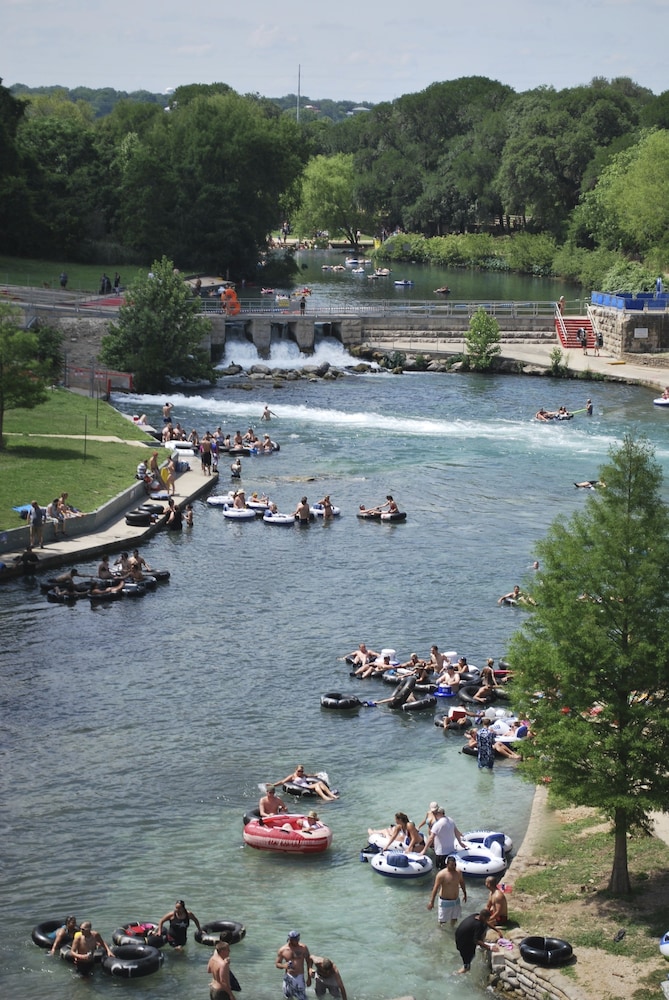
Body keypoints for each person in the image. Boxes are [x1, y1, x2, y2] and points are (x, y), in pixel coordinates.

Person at [454, 908, 501, 973]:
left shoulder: (476, 916)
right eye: (487, 918)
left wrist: (496, 930)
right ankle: (456, 974)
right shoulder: (478, 926)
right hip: (463, 944)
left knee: (484, 926)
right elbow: (476, 940)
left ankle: (481, 945)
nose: (488, 920)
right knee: (467, 967)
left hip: (460, 937)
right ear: (484, 917)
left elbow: (486, 923)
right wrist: (489, 947)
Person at [427, 854, 467, 926]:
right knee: (442, 921)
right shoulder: (441, 875)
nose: (454, 866)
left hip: (455, 901)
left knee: (455, 918)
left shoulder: (458, 872)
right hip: (445, 901)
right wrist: (431, 902)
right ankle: (441, 933)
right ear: (447, 865)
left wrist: (465, 893)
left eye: (455, 864)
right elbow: (435, 888)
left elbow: (462, 883)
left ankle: (452, 930)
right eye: (452, 865)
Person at [276, 930, 311, 1000]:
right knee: (288, 997)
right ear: (290, 940)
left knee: (302, 998)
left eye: (298, 939)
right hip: (288, 977)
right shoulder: (283, 950)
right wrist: (284, 966)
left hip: (300, 977)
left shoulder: (303, 948)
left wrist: (309, 978)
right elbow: (277, 964)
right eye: (296, 940)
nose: (298, 941)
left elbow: (309, 961)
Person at [273, 765, 338, 801]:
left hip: (307, 786)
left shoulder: (303, 775)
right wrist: (273, 785)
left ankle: (332, 795)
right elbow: (282, 782)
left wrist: (316, 775)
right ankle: (324, 797)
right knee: (317, 785)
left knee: (320, 783)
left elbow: (309, 776)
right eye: (299, 771)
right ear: (295, 770)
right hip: (302, 787)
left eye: (301, 771)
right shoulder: (292, 776)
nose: (300, 772)